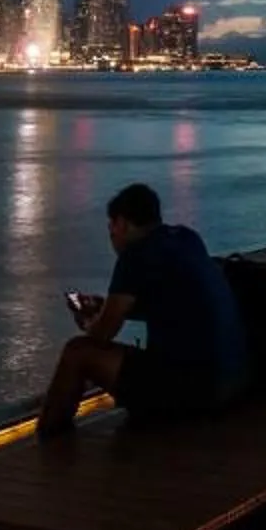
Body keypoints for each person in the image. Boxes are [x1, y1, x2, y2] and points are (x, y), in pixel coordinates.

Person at [39, 183, 248, 438]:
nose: (112, 238)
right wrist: (107, 307)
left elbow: (100, 337)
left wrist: (90, 320)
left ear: (123, 224)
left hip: (194, 391)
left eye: (111, 228)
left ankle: (49, 440)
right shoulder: (186, 238)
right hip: (232, 381)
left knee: (77, 352)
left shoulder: (135, 256)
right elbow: (169, 304)